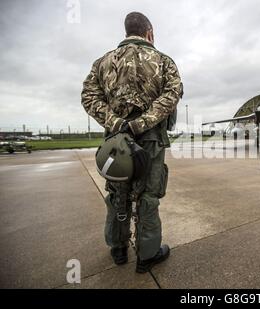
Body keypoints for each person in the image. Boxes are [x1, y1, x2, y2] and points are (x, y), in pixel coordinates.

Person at [81, 12, 183, 273]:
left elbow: (89, 98)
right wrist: (141, 123)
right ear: (149, 31)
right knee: (148, 195)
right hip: (150, 141)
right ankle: (147, 255)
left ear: (127, 32)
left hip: (115, 140)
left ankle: (118, 249)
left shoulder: (102, 62)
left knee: (118, 194)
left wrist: (117, 123)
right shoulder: (163, 61)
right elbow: (172, 95)